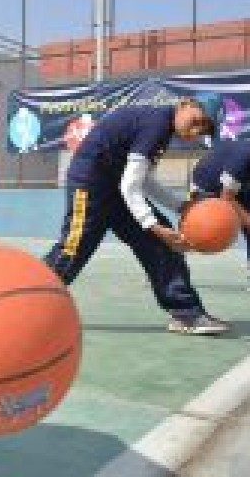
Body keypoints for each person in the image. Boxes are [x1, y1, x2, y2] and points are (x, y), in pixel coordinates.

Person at [45, 98, 228, 335]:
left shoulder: (162, 131)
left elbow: (144, 182)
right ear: (185, 104)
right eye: (197, 122)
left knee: (161, 246)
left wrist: (180, 206)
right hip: (90, 185)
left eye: (202, 130)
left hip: (116, 188)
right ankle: (26, 299)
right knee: (73, 249)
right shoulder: (156, 124)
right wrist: (154, 226)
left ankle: (187, 315)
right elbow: (131, 186)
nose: (195, 132)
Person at [190, 138, 250, 287]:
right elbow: (226, 197)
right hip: (207, 186)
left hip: (239, 185)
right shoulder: (244, 156)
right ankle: (164, 260)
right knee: (194, 233)